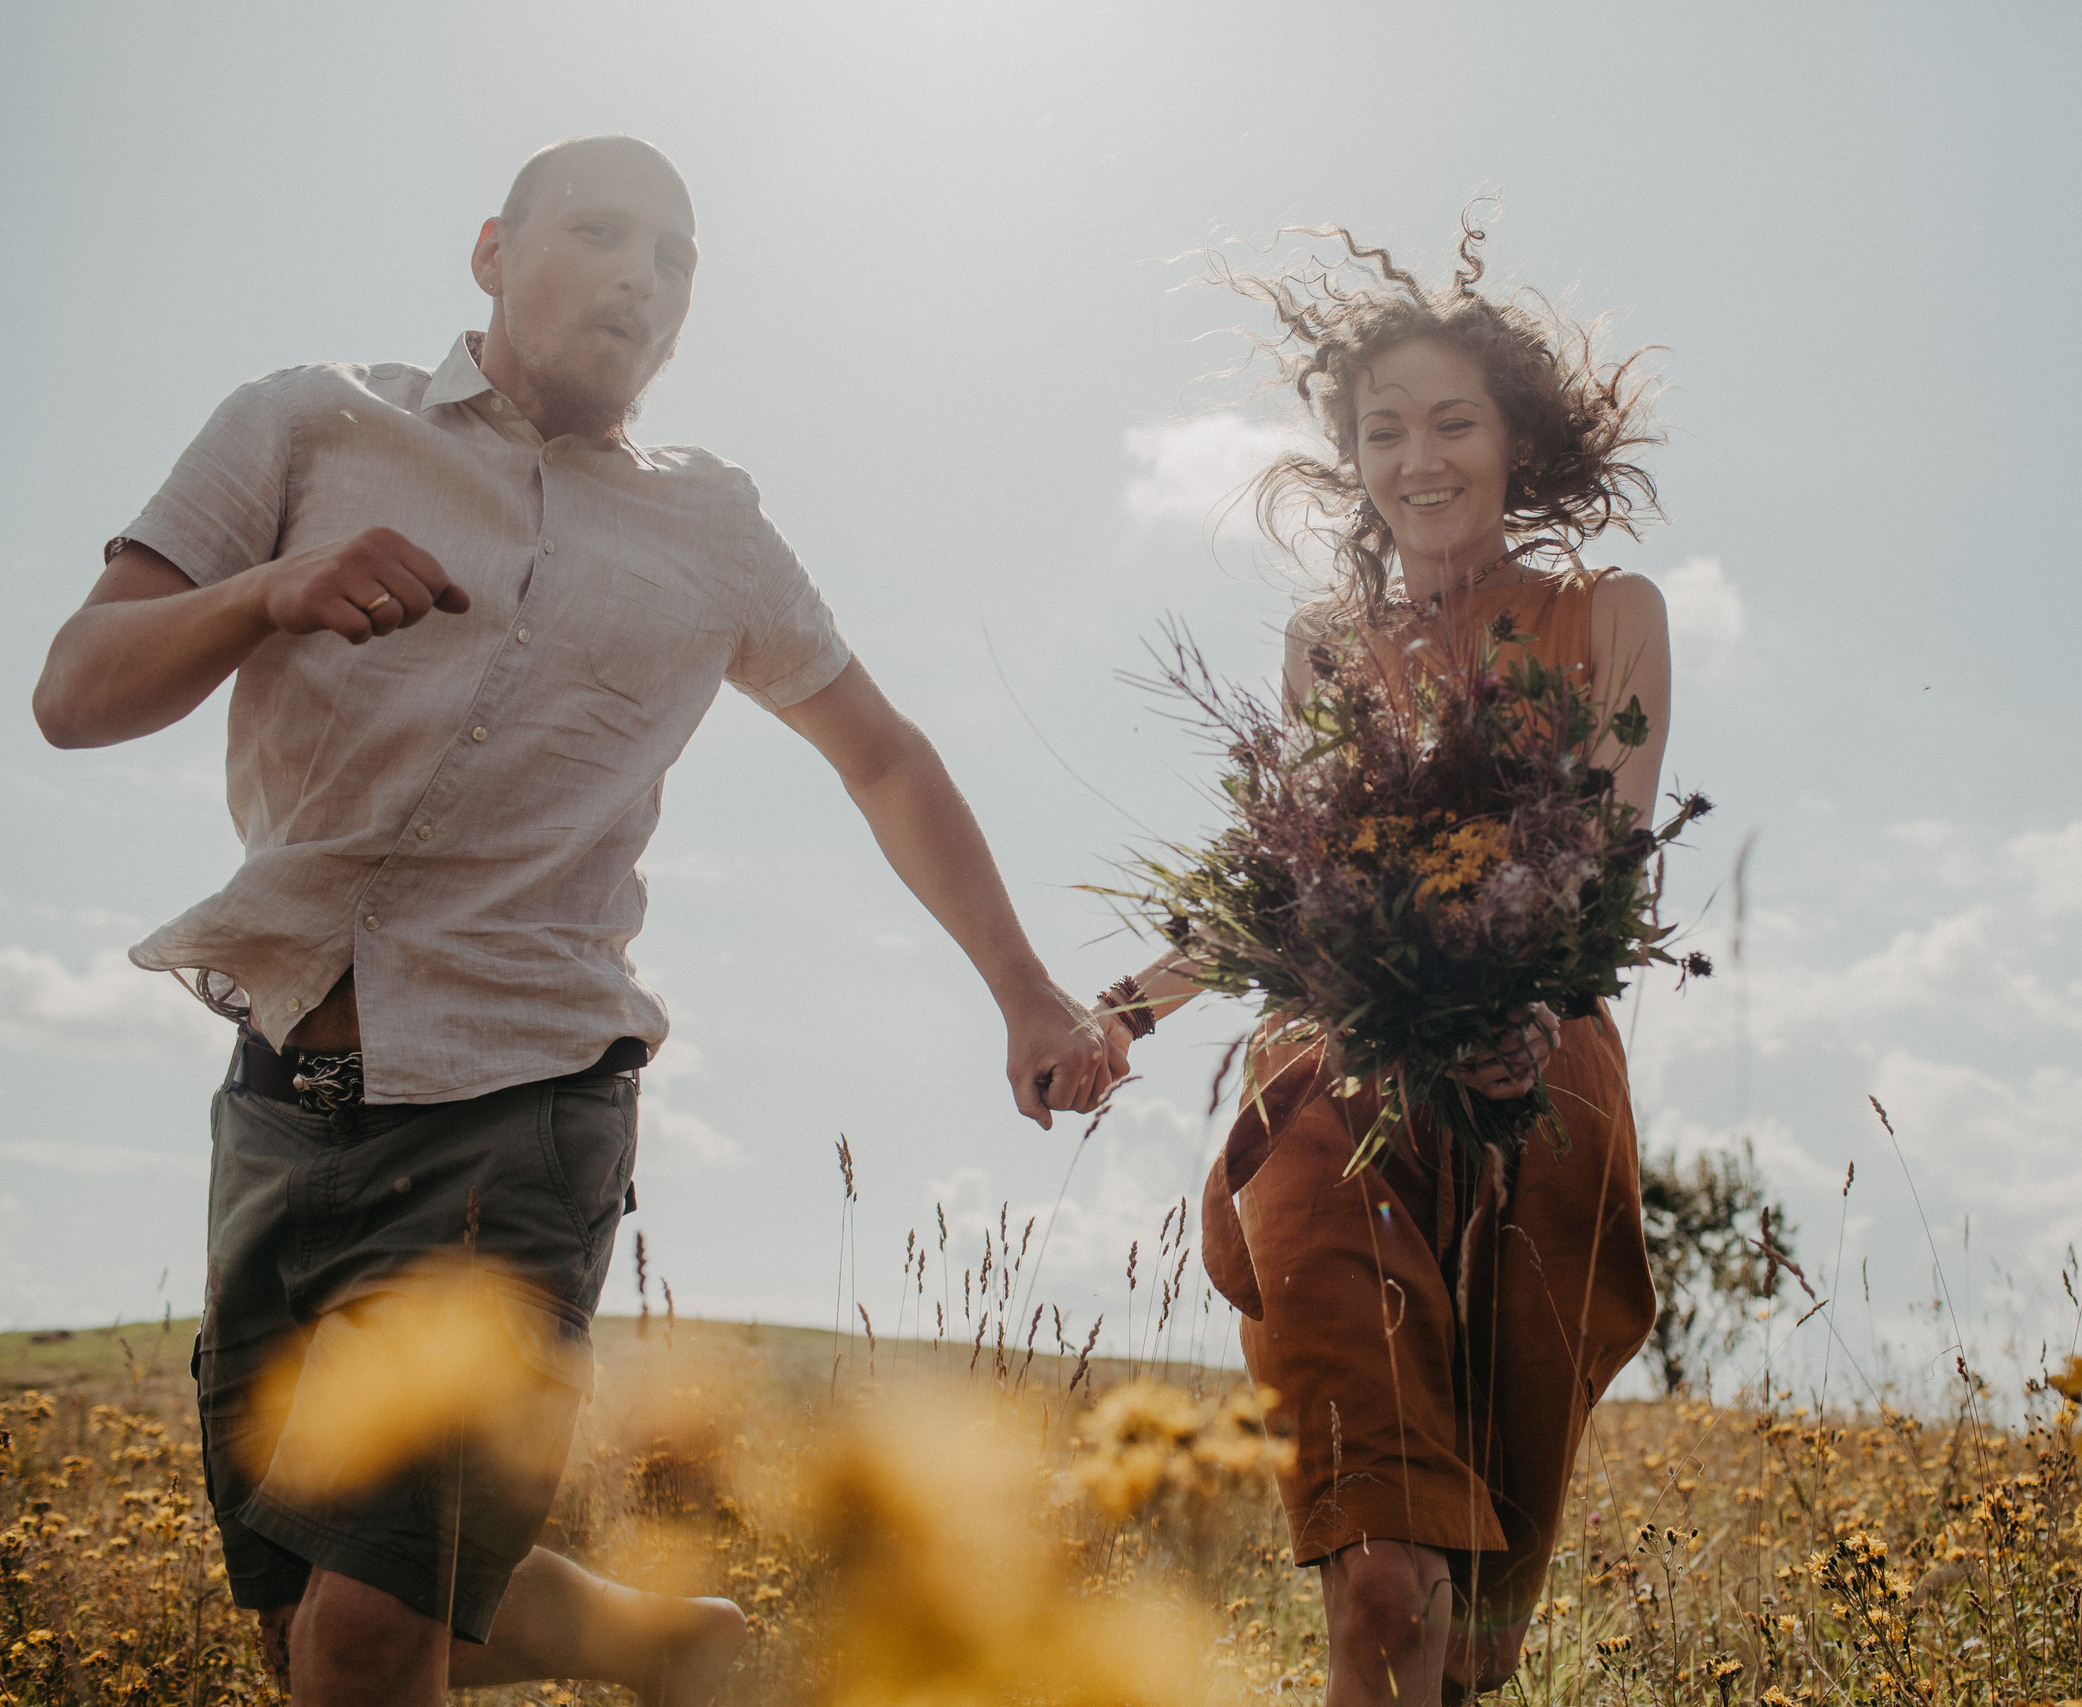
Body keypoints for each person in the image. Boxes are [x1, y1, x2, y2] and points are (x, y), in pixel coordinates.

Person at [30, 134, 1121, 1707]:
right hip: (284, 1108)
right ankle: (666, 1651)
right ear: (490, 251)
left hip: (523, 1108)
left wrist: (1025, 992)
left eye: (674, 259)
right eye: (601, 234)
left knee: (364, 1638)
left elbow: (882, 755)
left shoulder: (713, 529)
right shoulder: (301, 422)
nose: (641, 276)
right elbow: (74, 692)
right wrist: (268, 593)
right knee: (300, 1629)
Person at [1092, 225, 1670, 1706]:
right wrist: (1122, 1010)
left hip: (1535, 1102)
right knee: (1382, 1586)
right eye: (1383, 429)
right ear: (1350, 456)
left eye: (1452, 422)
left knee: (1469, 1637)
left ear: (1516, 438)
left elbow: (1604, 857)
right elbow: (1287, 891)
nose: (1419, 457)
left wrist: (1522, 1016)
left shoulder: (1608, 616)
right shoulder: (1326, 652)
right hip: (1338, 1098)